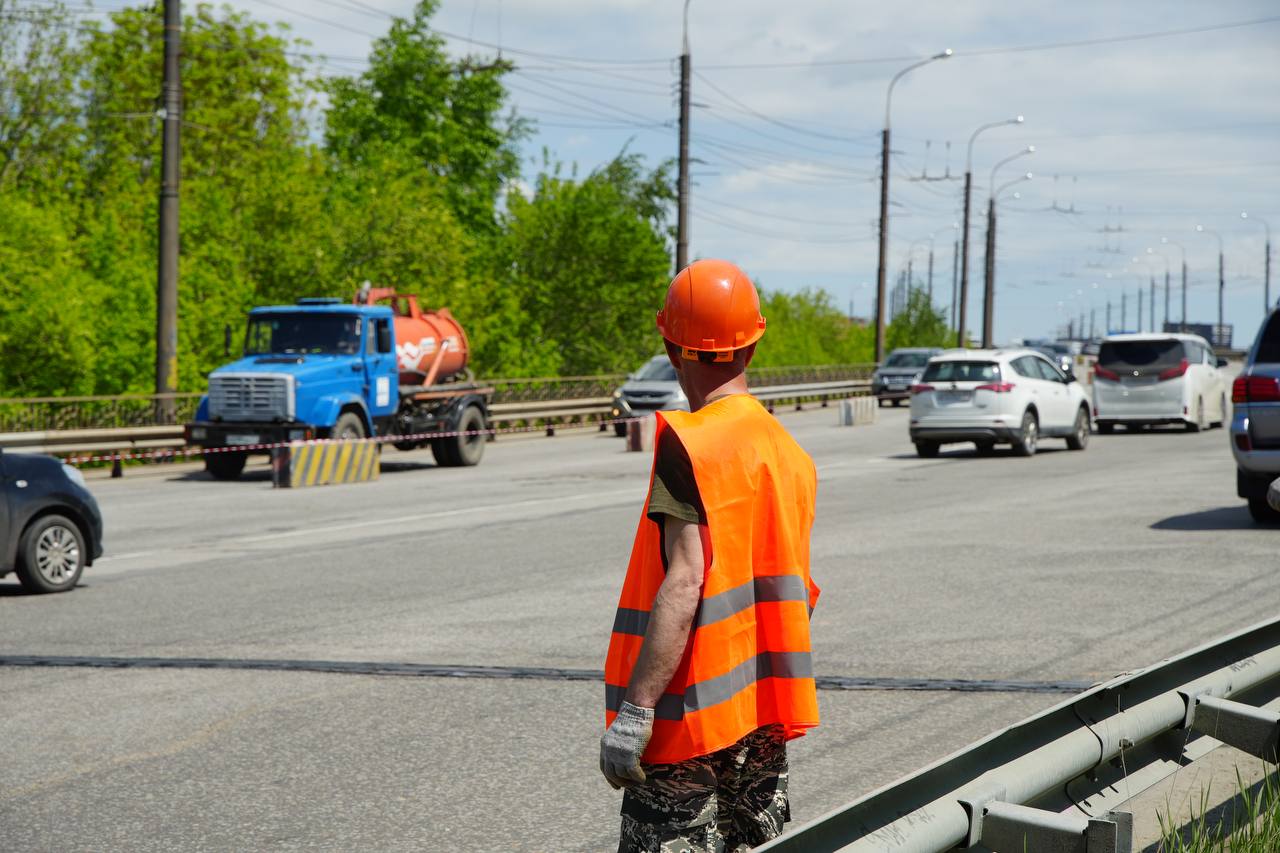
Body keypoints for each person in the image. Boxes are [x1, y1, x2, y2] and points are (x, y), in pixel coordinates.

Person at [600, 259, 821, 852]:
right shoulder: (788, 452)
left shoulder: (689, 445)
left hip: (688, 728)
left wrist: (637, 712)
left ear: (672, 346)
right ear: (753, 344)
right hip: (762, 718)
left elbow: (685, 581)